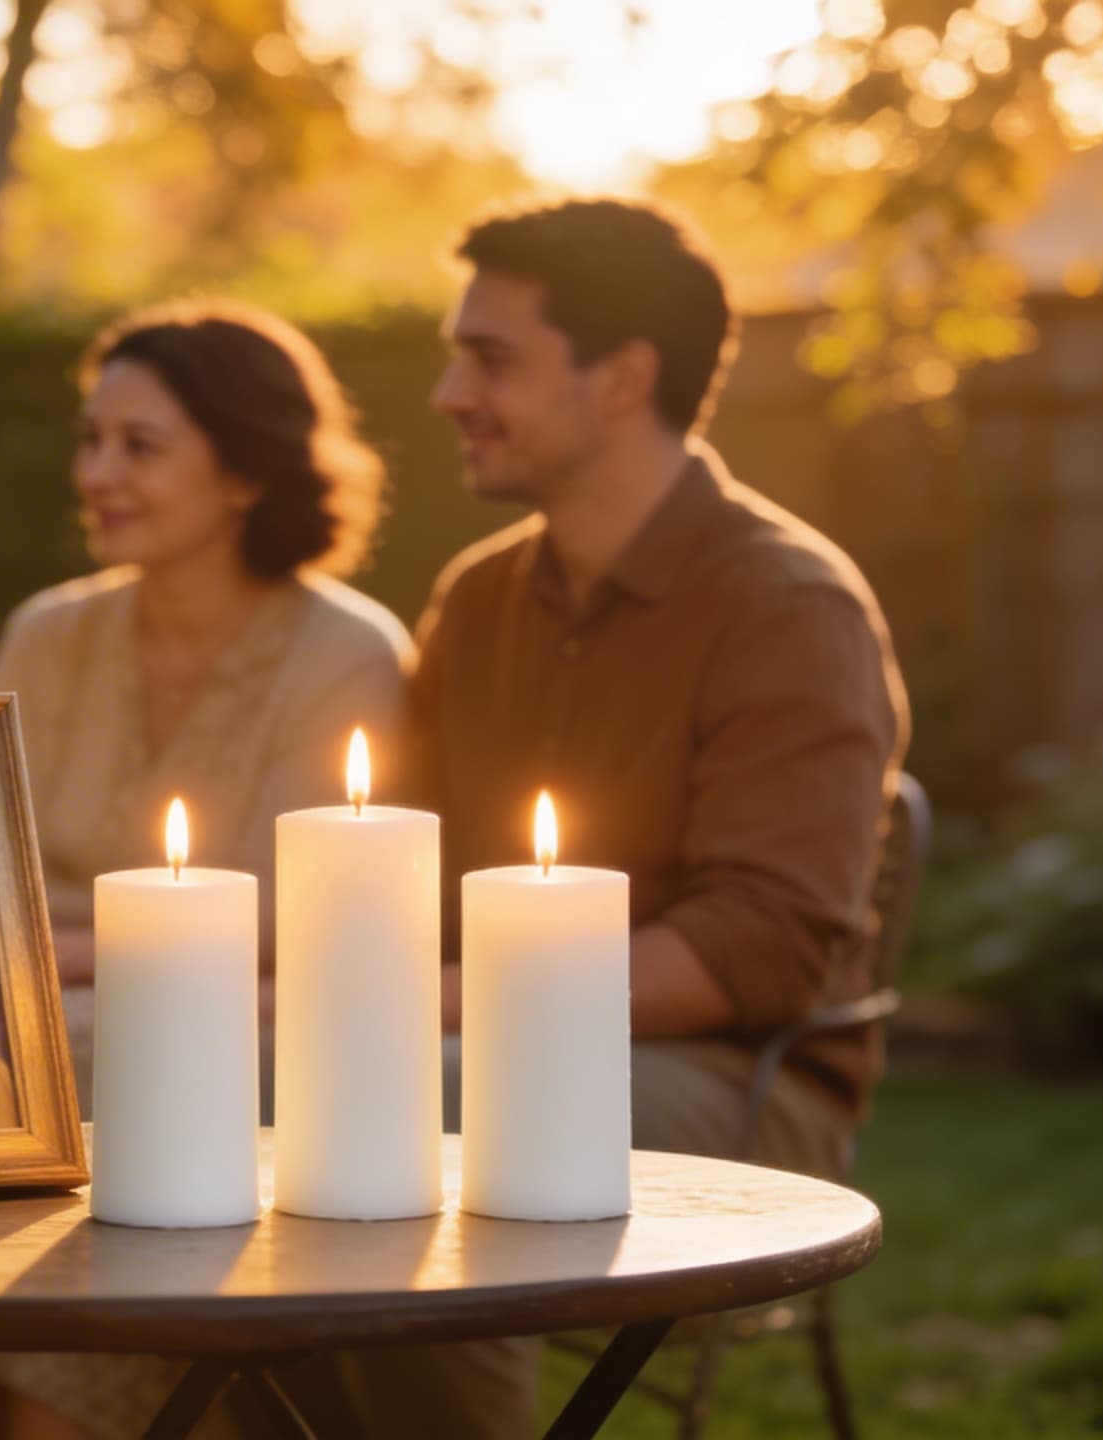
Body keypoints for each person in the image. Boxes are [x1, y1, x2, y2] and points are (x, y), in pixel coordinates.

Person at [357, 199, 911, 1436]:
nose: (449, 391)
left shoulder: (788, 605)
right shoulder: (481, 599)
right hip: (487, 1052)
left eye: (489, 358)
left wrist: (422, 1002)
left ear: (623, 381)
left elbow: (759, 948)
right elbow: (390, 867)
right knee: (291, 1084)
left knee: (407, 1099)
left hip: (743, 1097)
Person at [0, 297, 411, 1439]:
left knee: (113, 1056)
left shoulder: (347, 653)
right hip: (18, 988)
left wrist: (71, 955)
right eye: (91, 441)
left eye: (139, 447)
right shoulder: (46, 633)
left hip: (239, 1006)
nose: (99, 472)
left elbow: (322, 910)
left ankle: (82, 1414)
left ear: (246, 473)